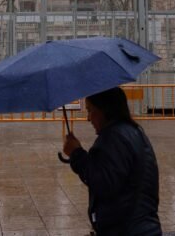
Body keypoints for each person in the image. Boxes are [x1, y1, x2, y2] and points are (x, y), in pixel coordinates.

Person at [63, 87, 161, 236]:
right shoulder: (132, 132)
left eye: (90, 110)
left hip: (128, 229)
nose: (88, 118)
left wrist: (76, 154)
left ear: (104, 110)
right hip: (140, 226)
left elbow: (103, 182)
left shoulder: (114, 138)